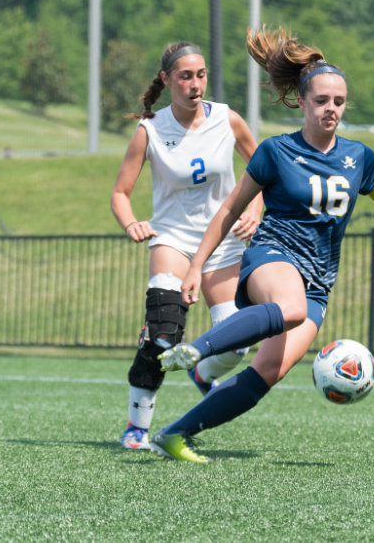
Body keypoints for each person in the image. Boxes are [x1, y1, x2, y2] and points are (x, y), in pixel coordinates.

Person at [148, 26, 374, 462]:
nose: (331, 109)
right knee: (291, 309)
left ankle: (174, 434)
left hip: (319, 280)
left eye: (338, 102)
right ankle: (199, 350)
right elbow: (228, 211)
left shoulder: (359, 157)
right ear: (301, 102)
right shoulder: (276, 152)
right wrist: (196, 267)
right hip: (273, 257)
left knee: (269, 370)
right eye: (321, 101)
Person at [111, 41, 263, 451]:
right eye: (184, 76)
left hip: (225, 243)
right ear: (166, 79)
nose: (195, 84)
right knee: (163, 334)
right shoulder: (150, 130)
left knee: (238, 342)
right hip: (173, 240)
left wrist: (257, 207)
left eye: (201, 75)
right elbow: (121, 193)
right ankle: (137, 426)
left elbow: (262, 168)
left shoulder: (227, 119)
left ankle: (202, 373)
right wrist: (131, 223)